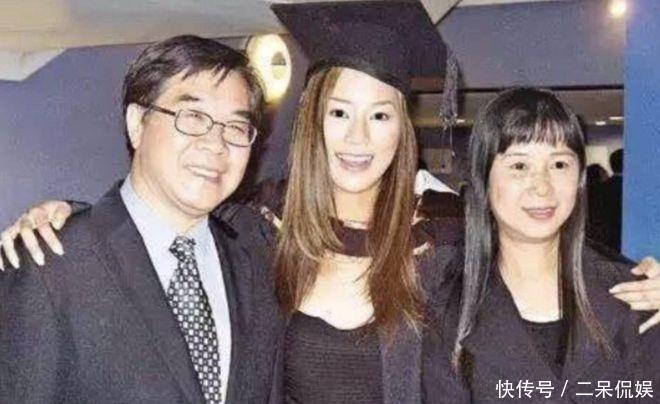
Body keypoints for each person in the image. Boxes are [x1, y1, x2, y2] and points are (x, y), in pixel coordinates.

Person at [0, 35, 284, 403]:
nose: (216, 144)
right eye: (193, 117)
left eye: (235, 127)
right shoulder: (51, 264)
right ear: (137, 122)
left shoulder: (258, 261)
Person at [424, 88, 660, 403]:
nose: (542, 186)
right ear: (483, 180)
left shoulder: (635, 294)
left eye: (559, 164)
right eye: (519, 166)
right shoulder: (445, 306)